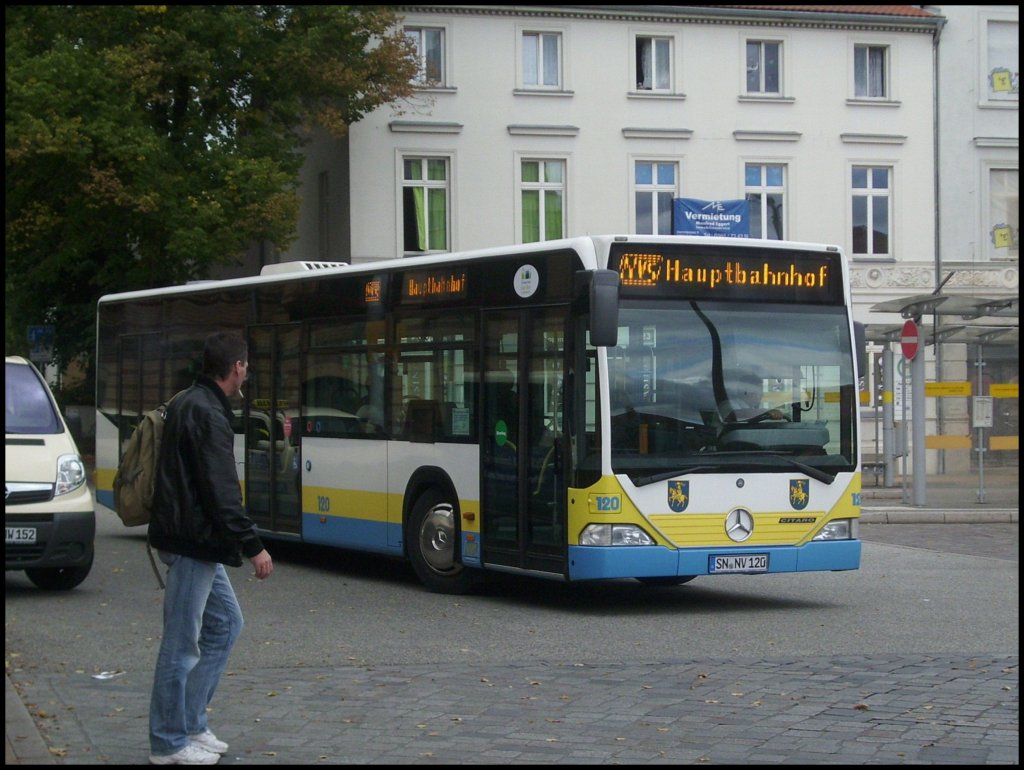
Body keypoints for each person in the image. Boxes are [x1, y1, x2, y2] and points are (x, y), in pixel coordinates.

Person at [147, 332, 274, 765]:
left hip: (197, 541)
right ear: (237, 367)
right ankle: (167, 742)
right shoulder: (207, 413)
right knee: (181, 645)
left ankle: (191, 723)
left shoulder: (193, 402)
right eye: (246, 364)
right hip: (192, 542)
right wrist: (254, 546)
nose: (247, 371)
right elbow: (222, 490)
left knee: (224, 625)